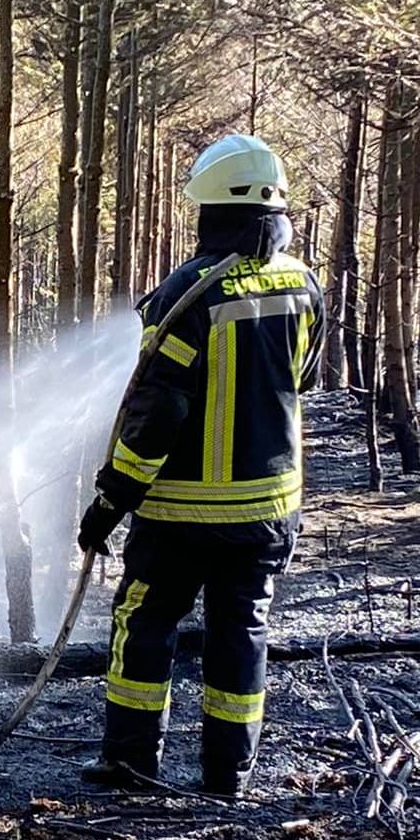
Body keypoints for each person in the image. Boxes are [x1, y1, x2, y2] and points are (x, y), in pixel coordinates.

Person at [74, 134, 323, 799]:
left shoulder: (188, 295)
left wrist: (111, 500)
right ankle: (226, 778)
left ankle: (130, 765)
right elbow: (300, 375)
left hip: (182, 514)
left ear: (207, 209)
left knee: (145, 623)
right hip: (270, 511)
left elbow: (156, 415)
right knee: (241, 631)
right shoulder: (302, 284)